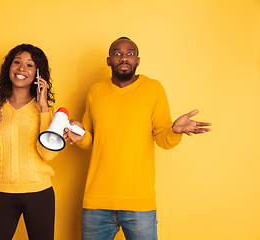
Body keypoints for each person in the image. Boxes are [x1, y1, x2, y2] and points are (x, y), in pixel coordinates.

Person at [64, 37, 212, 240]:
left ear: (138, 60)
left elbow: (162, 139)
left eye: (130, 53)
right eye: (117, 53)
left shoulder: (153, 89)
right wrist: (79, 135)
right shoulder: (95, 92)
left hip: (139, 206)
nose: (124, 57)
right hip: (96, 204)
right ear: (109, 60)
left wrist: (174, 131)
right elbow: (91, 139)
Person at [0, 44, 58, 240]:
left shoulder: (45, 110)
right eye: (17, 62)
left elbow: (48, 154)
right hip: (3, 193)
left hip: (40, 193)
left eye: (29, 65)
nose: (21, 68)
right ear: (8, 68)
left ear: (38, 73)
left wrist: (44, 107)